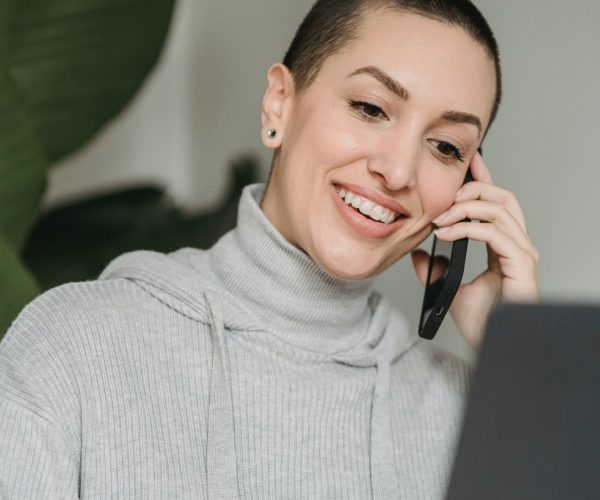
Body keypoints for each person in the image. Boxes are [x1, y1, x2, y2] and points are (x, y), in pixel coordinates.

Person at [0, 0, 538, 498]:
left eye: (446, 147)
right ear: (280, 104)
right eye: (370, 108)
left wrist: (524, 363)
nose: (397, 172)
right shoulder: (73, 345)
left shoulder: (474, 409)